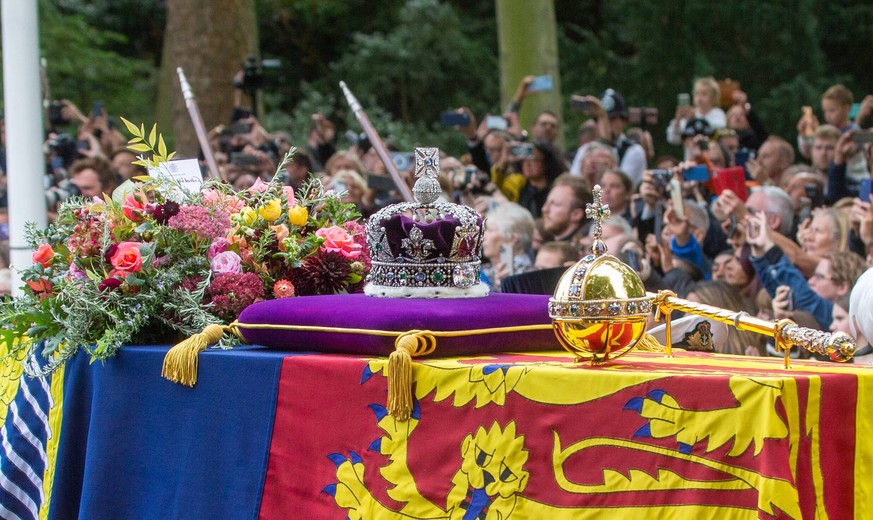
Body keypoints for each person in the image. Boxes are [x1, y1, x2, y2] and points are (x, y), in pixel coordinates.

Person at [480, 202, 535, 291]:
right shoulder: (486, 270)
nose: (484, 235)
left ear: (512, 239)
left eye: (490, 231)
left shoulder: (524, 277)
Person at [667, 77, 727, 146]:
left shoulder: (718, 113)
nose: (699, 97)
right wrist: (677, 122)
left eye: (704, 94)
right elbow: (674, 140)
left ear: (713, 97)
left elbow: (719, 128)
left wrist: (695, 119)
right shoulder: (689, 114)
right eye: (697, 93)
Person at [541, 174, 591, 248]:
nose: (545, 209)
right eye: (547, 202)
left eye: (555, 204)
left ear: (576, 214)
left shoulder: (582, 253)